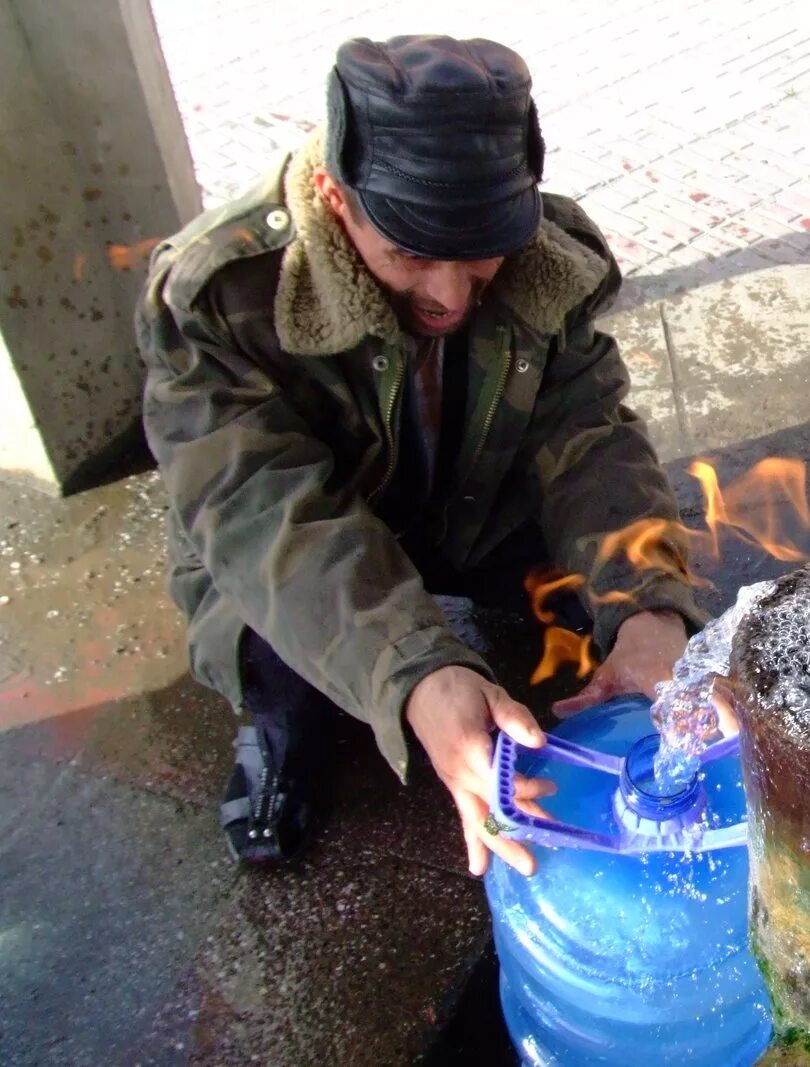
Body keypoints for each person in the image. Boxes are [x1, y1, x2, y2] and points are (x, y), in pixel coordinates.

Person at [135, 35, 703, 874]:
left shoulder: (548, 250)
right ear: (335, 195)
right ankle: (281, 728)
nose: (447, 296)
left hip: (473, 504)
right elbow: (269, 517)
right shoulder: (217, 296)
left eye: (478, 260)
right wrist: (419, 674)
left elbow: (591, 440)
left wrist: (650, 608)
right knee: (291, 657)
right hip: (298, 544)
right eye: (408, 253)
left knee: (624, 602)